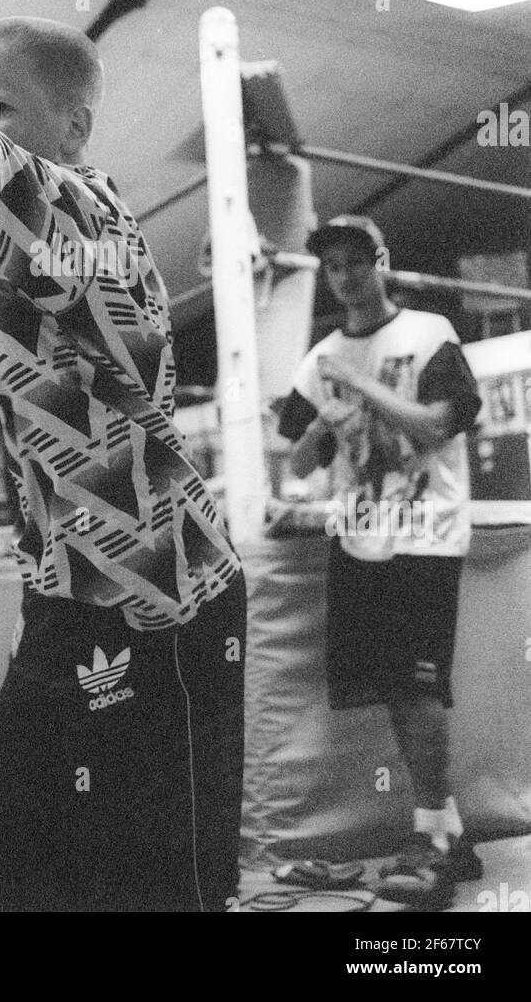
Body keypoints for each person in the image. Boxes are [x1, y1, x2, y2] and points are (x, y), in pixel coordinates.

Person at [0, 17, 246, 912]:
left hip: (161, 595)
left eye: (1, 109)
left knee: (157, 879)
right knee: (34, 849)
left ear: (73, 130)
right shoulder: (8, 279)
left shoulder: (80, 216)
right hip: (65, 595)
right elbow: (30, 421)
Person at [276, 216, 483, 906]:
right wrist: (319, 425)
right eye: (332, 266)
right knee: (395, 687)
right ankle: (446, 832)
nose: (344, 277)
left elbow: (436, 425)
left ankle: (433, 834)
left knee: (419, 688)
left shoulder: (429, 335)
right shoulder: (320, 358)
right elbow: (298, 464)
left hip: (425, 533)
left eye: (355, 262)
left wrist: (357, 388)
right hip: (360, 537)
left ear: (380, 262)